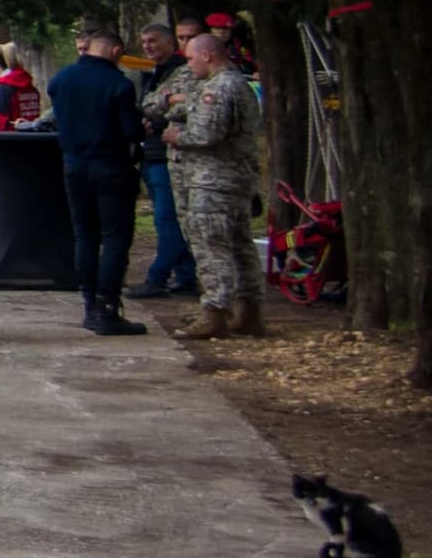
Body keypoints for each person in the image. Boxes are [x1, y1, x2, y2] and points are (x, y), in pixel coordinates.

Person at [146, 24, 268, 339]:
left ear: (207, 55)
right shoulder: (235, 84)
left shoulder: (219, 88)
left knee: (211, 245)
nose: (188, 66)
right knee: (240, 244)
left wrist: (177, 135)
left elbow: (206, 133)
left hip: (212, 180)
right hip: (235, 178)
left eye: (191, 60)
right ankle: (248, 308)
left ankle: (216, 310)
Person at [46, 23, 146, 334]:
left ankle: (89, 303)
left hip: (74, 165)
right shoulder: (119, 84)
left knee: (85, 235)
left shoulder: (61, 79)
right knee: (115, 237)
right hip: (112, 166)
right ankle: (108, 307)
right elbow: (130, 131)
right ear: (115, 51)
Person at [133, 17, 201, 296]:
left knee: (167, 218)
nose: (148, 47)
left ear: (170, 43)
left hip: (168, 155)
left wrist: (157, 114)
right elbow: (150, 105)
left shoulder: (181, 72)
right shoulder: (154, 73)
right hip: (152, 151)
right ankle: (185, 275)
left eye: (153, 41)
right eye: (144, 42)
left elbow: (174, 106)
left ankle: (157, 276)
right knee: (169, 216)